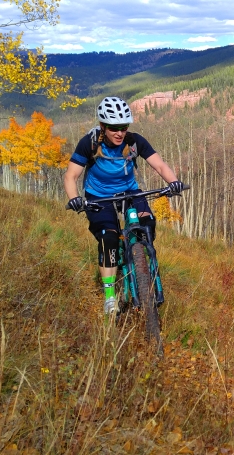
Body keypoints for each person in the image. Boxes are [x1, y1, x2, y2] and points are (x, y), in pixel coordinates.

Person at [63, 96, 184, 314]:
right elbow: (70, 176)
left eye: (124, 127)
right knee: (109, 238)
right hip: (98, 195)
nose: (120, 133)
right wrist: (74, 198)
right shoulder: (89, 143)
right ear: (103, 126)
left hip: (129, 191)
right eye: (114, 128)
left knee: (147, 222)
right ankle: (110, 296)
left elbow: (159, 165)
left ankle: (140, 263)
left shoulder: (134, 141)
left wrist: (173, 183)